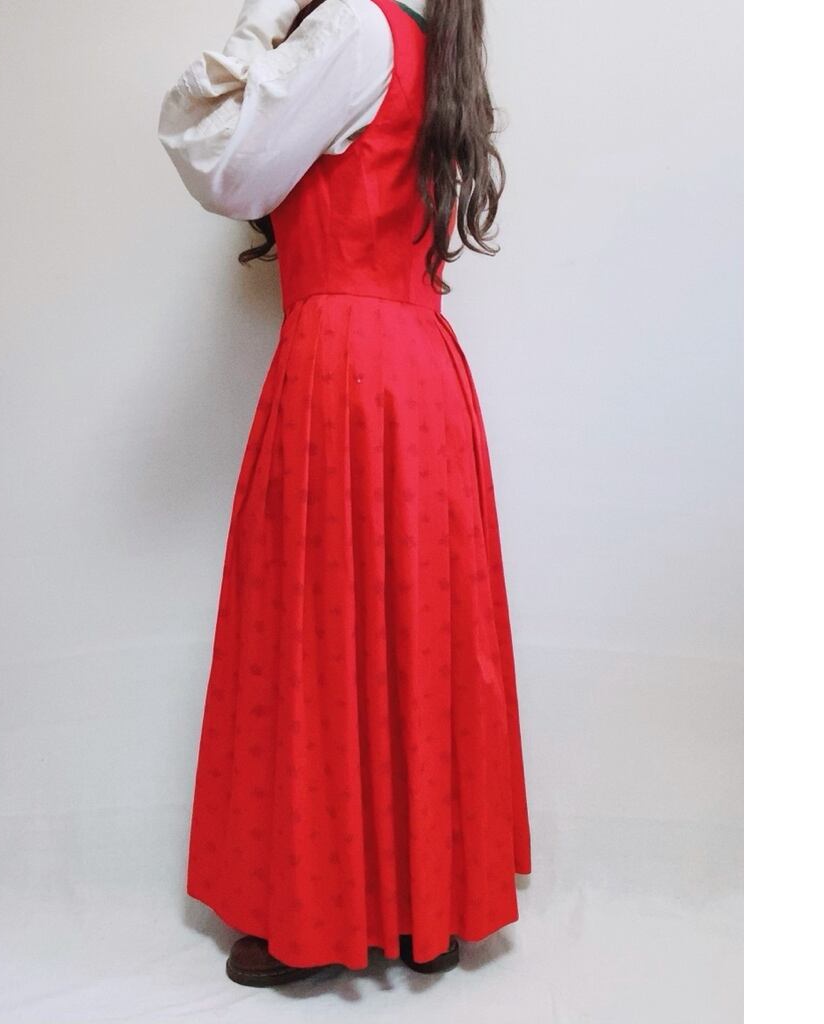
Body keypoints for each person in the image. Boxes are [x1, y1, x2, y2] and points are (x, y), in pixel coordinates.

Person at [158, 0, 532, 987]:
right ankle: (424, 906)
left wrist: (259, 23)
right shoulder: (428, 44)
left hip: (346, 369)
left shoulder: (355, 31)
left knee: (322, 627)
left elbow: (221, 166)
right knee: (419, 624)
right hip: (420, 371)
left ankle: (321, 915)